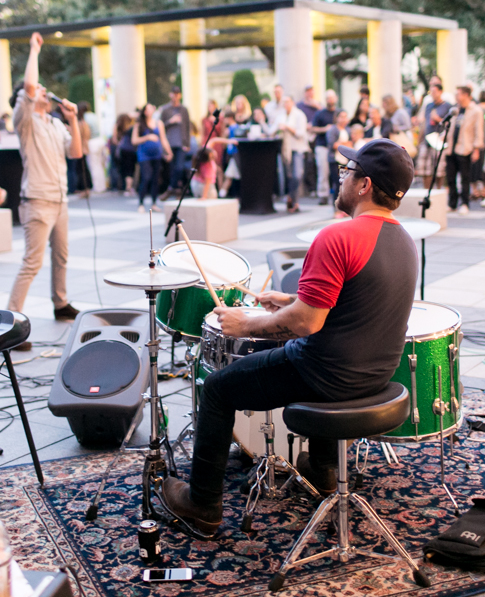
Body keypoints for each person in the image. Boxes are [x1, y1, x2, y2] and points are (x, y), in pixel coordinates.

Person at [161, 140, 418, 535]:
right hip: (376, 374)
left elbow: (306, 324)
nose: (341, 178)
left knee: (216, 389)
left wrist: (244, 325)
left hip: (326, 375)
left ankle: (202, 505)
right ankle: (323, 471)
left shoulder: (338, 237)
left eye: (347, 172)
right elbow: (354, 305)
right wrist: (291, 300)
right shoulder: (405, 241)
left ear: (364, 185)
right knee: (310, 348)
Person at [7, 33, 84, 328]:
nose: (43, 90)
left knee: (61, 257)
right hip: (37, 201)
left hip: (59, 199)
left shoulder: (54, 123)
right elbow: (28, 86)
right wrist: (34, 50)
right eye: (39, 89)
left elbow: (76, 152)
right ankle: (12, 319)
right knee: (32, 263)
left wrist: (73, 119)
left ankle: (60, 303)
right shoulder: (25, 119)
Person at [445, 85, 484, 215]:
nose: (456, 96)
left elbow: (478, 130)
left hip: (465, 148)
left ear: (466, 95)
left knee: (465, 178)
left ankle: (464, 203)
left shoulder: (475, 110)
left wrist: (476, 148)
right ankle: (452, 203)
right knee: (451, 177)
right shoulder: (455, 109)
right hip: (451, 148)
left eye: (459, 94)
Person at [272, 95, 309, 213]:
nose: (285, 104)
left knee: (297, 175)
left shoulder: (299, 115)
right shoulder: (280, 116)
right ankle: (293, 200)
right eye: (284, 102)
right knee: (288, 176)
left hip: (297, 148)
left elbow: (300, 133)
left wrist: (287, 127)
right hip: (285, 149)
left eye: (287, 102)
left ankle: (292, 198)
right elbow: (271, 130)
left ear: (292, 102)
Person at [133, 102, 172, 212]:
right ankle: (141, 203)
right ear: (144, 112)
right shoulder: (139, 124)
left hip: (156, 155)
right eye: (147, 109)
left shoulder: (158, 123)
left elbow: (163, 139)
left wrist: (169, 152)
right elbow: (134, 140)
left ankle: (154, 203)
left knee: (156, 179)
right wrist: (147, 137)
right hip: (144, 155)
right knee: (146, 177)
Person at [415, 82, 452, 189]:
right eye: (431, 92)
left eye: (435, 91)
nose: (432, 94)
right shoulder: (429, 105)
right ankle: (426, 190)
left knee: (439, 169)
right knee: (425, 169)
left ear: (440, 92)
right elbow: (425, 122)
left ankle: (439, 190)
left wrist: (437, 119)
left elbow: (449, 123)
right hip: (427, 139)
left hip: (438, 140)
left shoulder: (447, 106)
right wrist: (420, 138)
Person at [158, 87, 192, 199]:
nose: (175, 96)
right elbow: (160, 126)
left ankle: (171, 189)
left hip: (181, 143)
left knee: (179, 168)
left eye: (177, 94)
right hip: (169, 143)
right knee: (171, 169)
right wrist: (170, 121)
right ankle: (177, 191)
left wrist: (187, 143)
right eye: (174, 93)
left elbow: (188, 127)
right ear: (170, 94)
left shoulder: (184, 110)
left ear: (180, 95)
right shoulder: (165, 109)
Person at [310, 90, 339, 204]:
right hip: (322, 145)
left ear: (335, 99)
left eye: (331, 98)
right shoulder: (320, 113)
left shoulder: (338, 113)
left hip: (336, 146)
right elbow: (313, 128)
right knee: (323, 171)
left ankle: (338, 194)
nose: (330, 100)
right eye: (328, 98)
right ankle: (323, 194)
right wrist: (325, 129)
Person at [325, 109, 351, 205]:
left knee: (344, 183)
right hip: (335, 160)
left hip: (345, 160)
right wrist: (344, 144)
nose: (344, 119)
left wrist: (342, 144)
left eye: (345, 117)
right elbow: (333, 145)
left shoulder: (348, 130)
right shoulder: (333, 129)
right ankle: (336, 206)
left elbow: (350, 144)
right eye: (342, 117)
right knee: (337, 183)